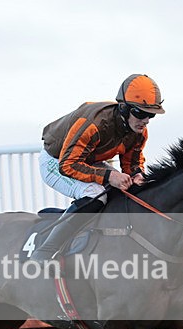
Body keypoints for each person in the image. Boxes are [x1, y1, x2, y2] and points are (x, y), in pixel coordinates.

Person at [30, 74, 165, 262]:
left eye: (151, 115)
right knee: (95, 193)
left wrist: (137, 175)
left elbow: (132, 164)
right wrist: (108, 176)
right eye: (141, 113)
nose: (146, 120)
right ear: (124, 108)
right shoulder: (94, 124)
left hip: (86, 161)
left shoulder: (138, 132)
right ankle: (45, 250)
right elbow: (68, 165)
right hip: (57, 161)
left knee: (127, 189)